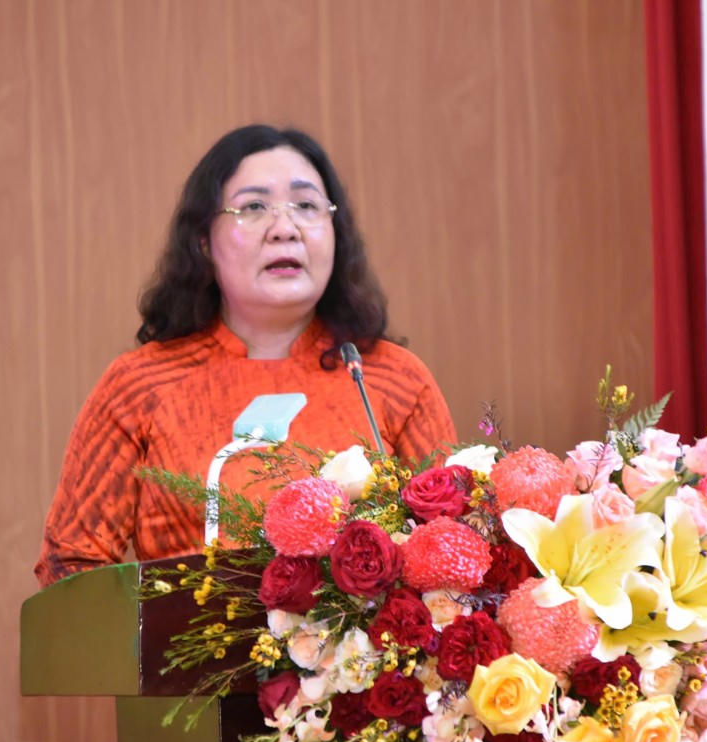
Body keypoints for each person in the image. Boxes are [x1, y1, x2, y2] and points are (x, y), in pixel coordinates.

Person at [34, 125, 457, 586]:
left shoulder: (391, 379)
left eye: (307, 206)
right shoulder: (141, 386)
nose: (285, 229)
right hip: (190, 632)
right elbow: (71, 564)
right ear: (203, 240)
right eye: (254, 207)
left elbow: (453, 548)